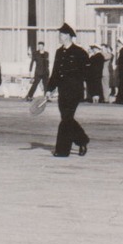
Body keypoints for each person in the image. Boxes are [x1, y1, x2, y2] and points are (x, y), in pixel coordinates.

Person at [46, 23, 91, 158]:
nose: (59, 37)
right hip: (62, 91)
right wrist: (49, 89)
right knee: (66, 118)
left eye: (61, 34)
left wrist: (93, 92)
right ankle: (82, 140)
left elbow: (88, 73)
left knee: (66, 118)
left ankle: (62, 150)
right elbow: (55, 72)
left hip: (74, 91)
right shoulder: (59, 52)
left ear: (68, 36)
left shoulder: (80, 52)